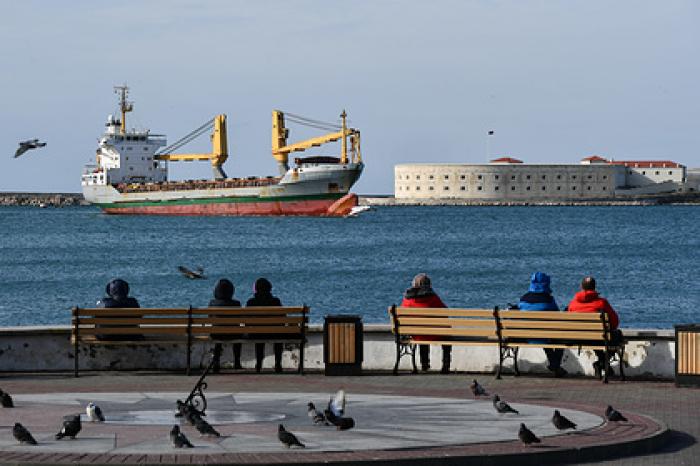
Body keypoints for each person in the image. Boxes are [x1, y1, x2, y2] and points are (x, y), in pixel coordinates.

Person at [567, 276, 622, 377]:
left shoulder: (573, 304)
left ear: (581, 287)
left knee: (597, 338)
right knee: (617, 336)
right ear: (594, 287)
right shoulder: (602, 303)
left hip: (578, 338)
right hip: (599, 337)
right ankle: (601, 364)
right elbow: (615, 322)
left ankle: (602, 364)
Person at [517, 272, 567, 377]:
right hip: (544, 335)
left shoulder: (523, 299)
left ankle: (555, 365)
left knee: (544, 335)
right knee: (558, 339)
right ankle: (555, 365)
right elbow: (558, 317)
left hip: (525, 336)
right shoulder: (548, 300)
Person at [400, 273, 452, 374]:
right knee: (446, 337)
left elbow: (403, 315)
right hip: (434, 335)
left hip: (417, 335)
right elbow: (445, 312)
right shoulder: (433, 297)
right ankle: (446, 366)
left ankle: (424, 364)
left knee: (422, 335)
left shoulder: (408, 299)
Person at [246, 278, 283, 373]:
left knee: (258, 334)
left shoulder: (251, 302)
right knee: (278, 336)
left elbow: (247, 323)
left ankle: (258, 364)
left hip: (256, 333)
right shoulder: (276, 301)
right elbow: (282, 320)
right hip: (274, 333)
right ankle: (278, 363)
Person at [208, 278, 242, 372]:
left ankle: (216, 361)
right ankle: (237, 361)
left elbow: (210, 318)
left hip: (216, 334)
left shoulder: (212, 303)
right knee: (238, 335)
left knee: (217, 336)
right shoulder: (236, 303)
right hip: (233, 334)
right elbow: (239, 320)